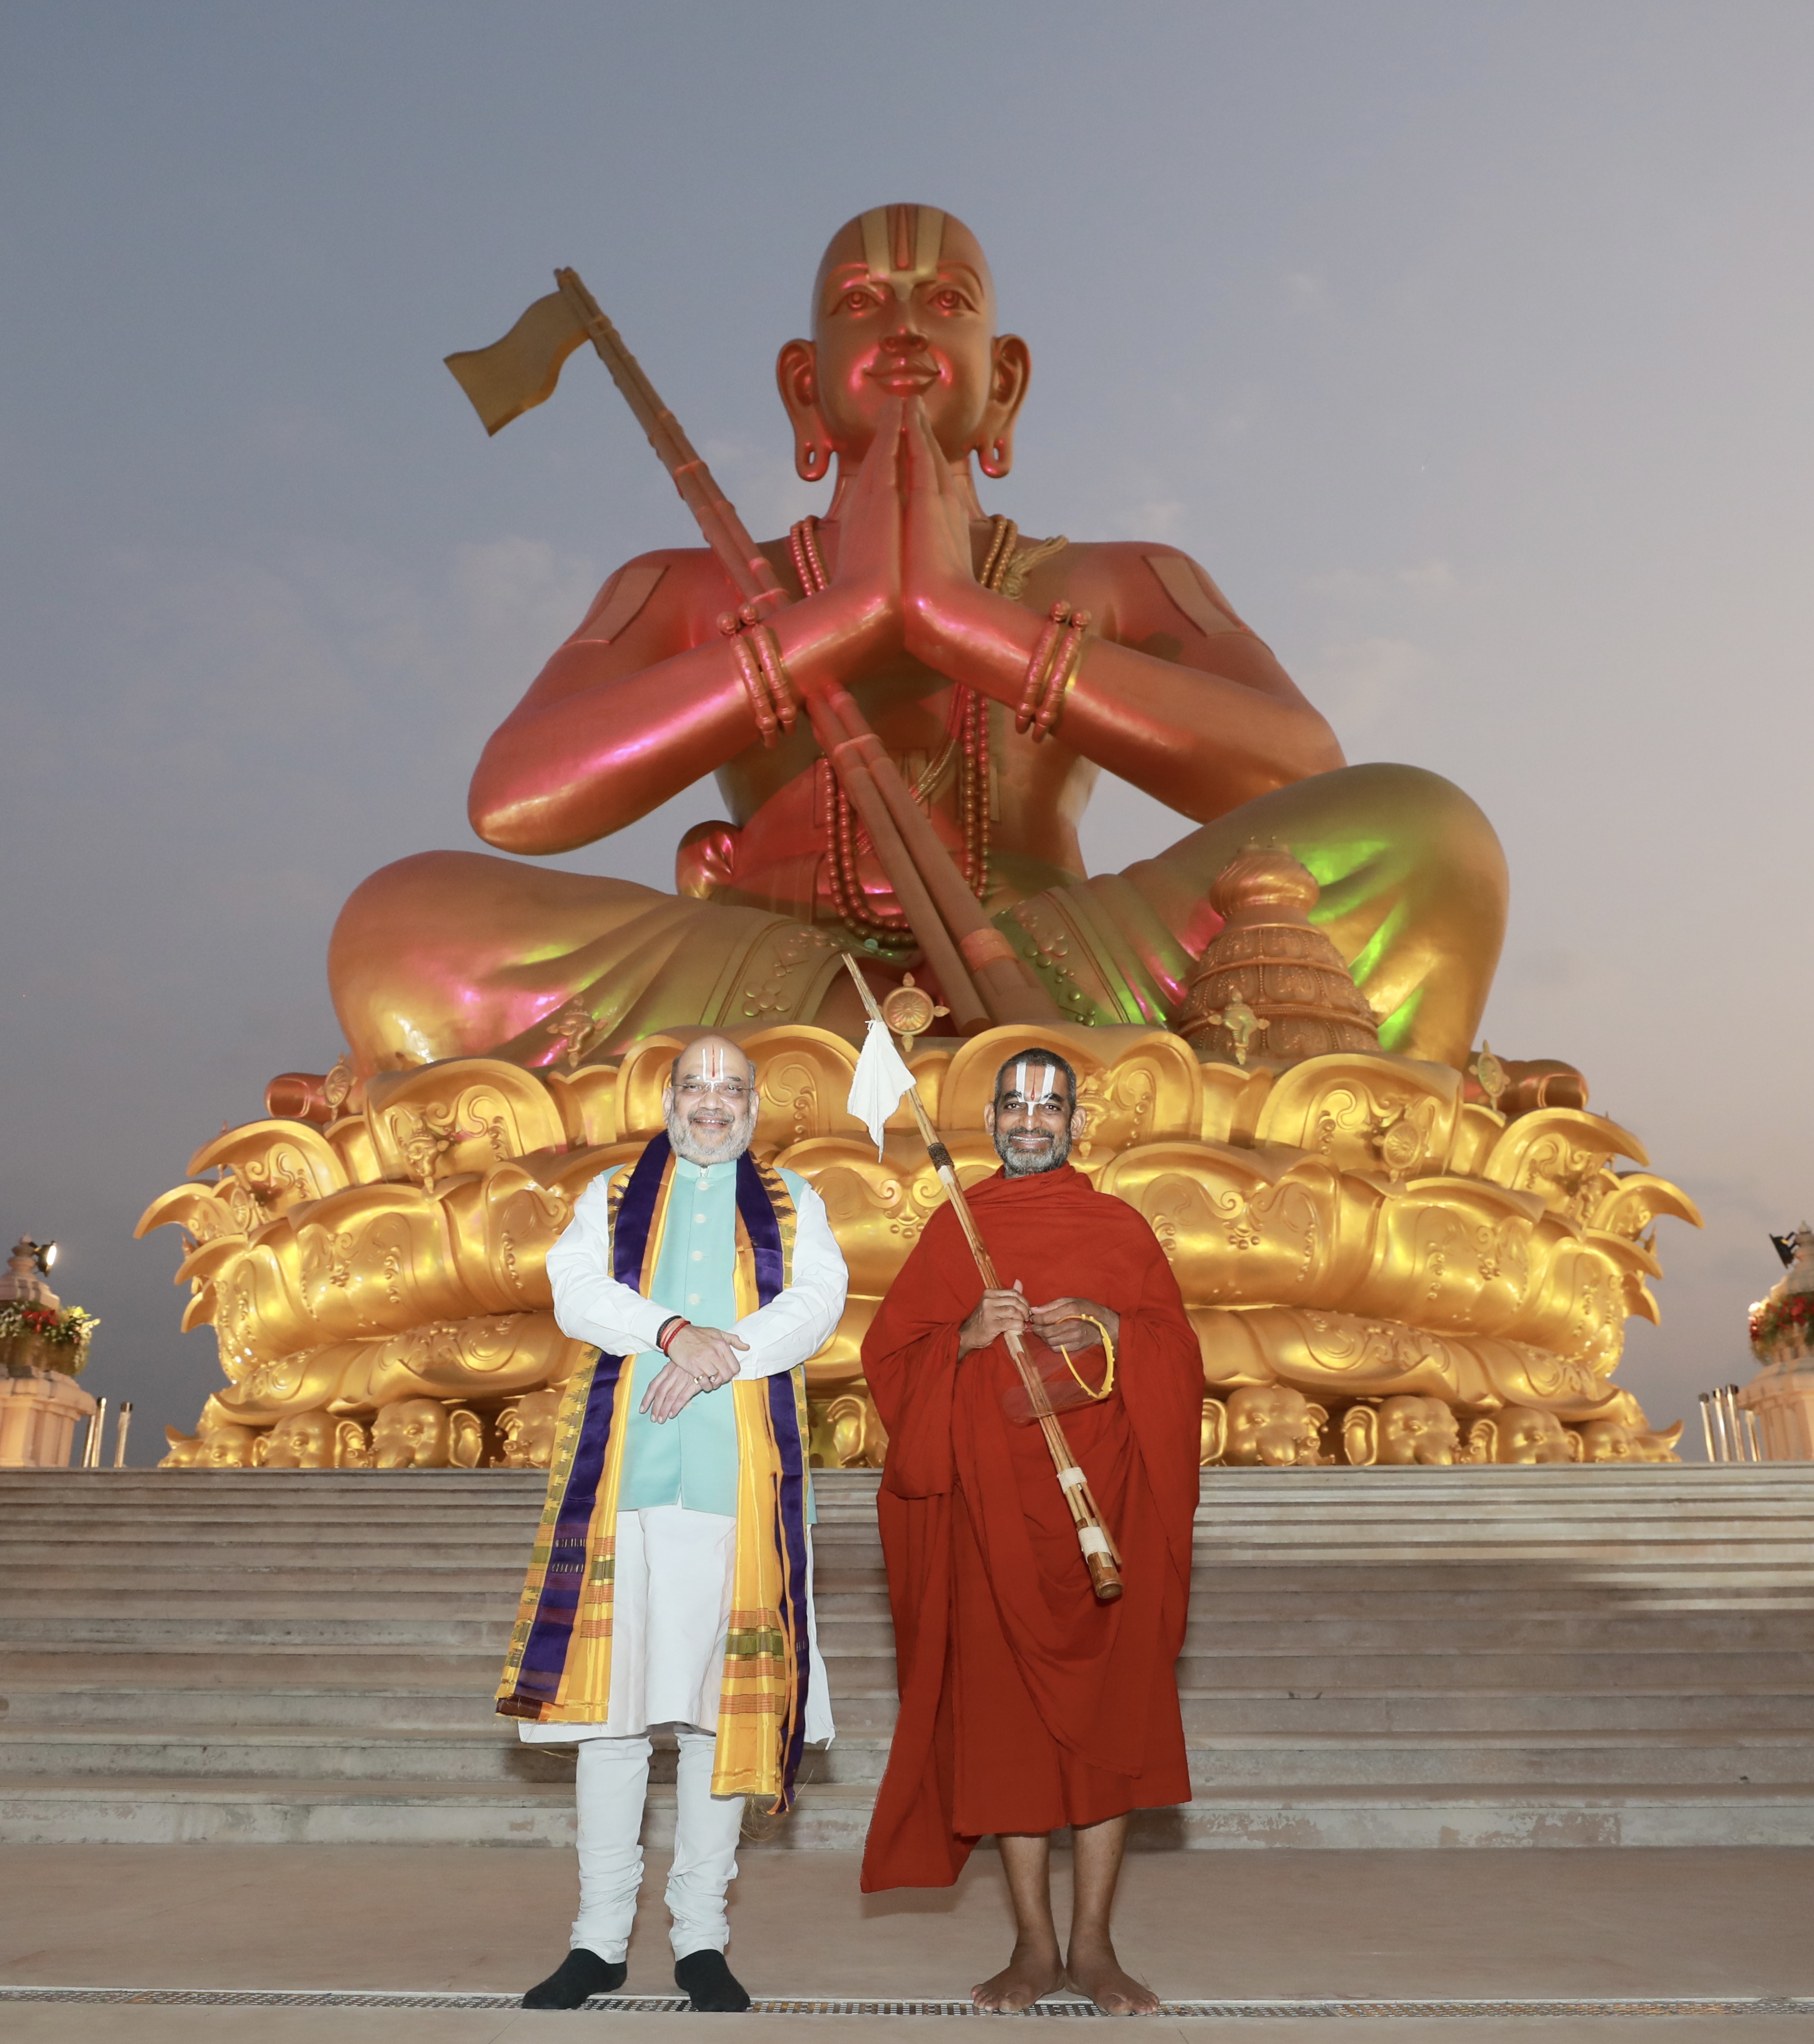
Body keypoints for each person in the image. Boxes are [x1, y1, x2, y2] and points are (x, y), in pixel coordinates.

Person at [325, 203, 1506, 1086]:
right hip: (753, 981)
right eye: (858, 304)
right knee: (397, 924)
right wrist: (833, 624)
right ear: (803, 389)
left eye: (945, 303)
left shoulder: (1113, 578)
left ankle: (857, 1075)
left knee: (1427, 831)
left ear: (1005, 386)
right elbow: (515, 801)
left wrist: (965, 623)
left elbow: (1302, 773)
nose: (899, 324)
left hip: (1064, 968)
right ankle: (911, 1057)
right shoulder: (683, 586)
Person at [497, 1034, 848, 2012]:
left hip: (738, 1488)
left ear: (754, 1104)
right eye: (695, 1084)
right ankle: (597, 1940)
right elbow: (576, 1294)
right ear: (666, 1099)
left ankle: (701, 1940)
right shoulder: (609, 1192)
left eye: (731, 1087)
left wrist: (716, 1355)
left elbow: (818, 1301)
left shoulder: (793, 1200)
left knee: (710, 1714)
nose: (712, 1101)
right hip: (627, 1490)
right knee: (612, 1723)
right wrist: (669, 1332)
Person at [859, 1047, 1204, 2015]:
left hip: (1106, 1516)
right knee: (1007, 1732)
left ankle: (1095, 1944)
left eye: (1050, 1106)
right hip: (991, 1516)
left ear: (1077, 1123)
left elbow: (1179, 1355)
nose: (1031, 1120)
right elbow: (892, 1360)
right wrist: (966, 1334)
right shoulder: (954, 1229)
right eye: (1014, 1103)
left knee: (1105, 1731)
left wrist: (1111, 1325)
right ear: (992, 1119)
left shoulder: (1119, 1227)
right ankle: (1033, 1944)